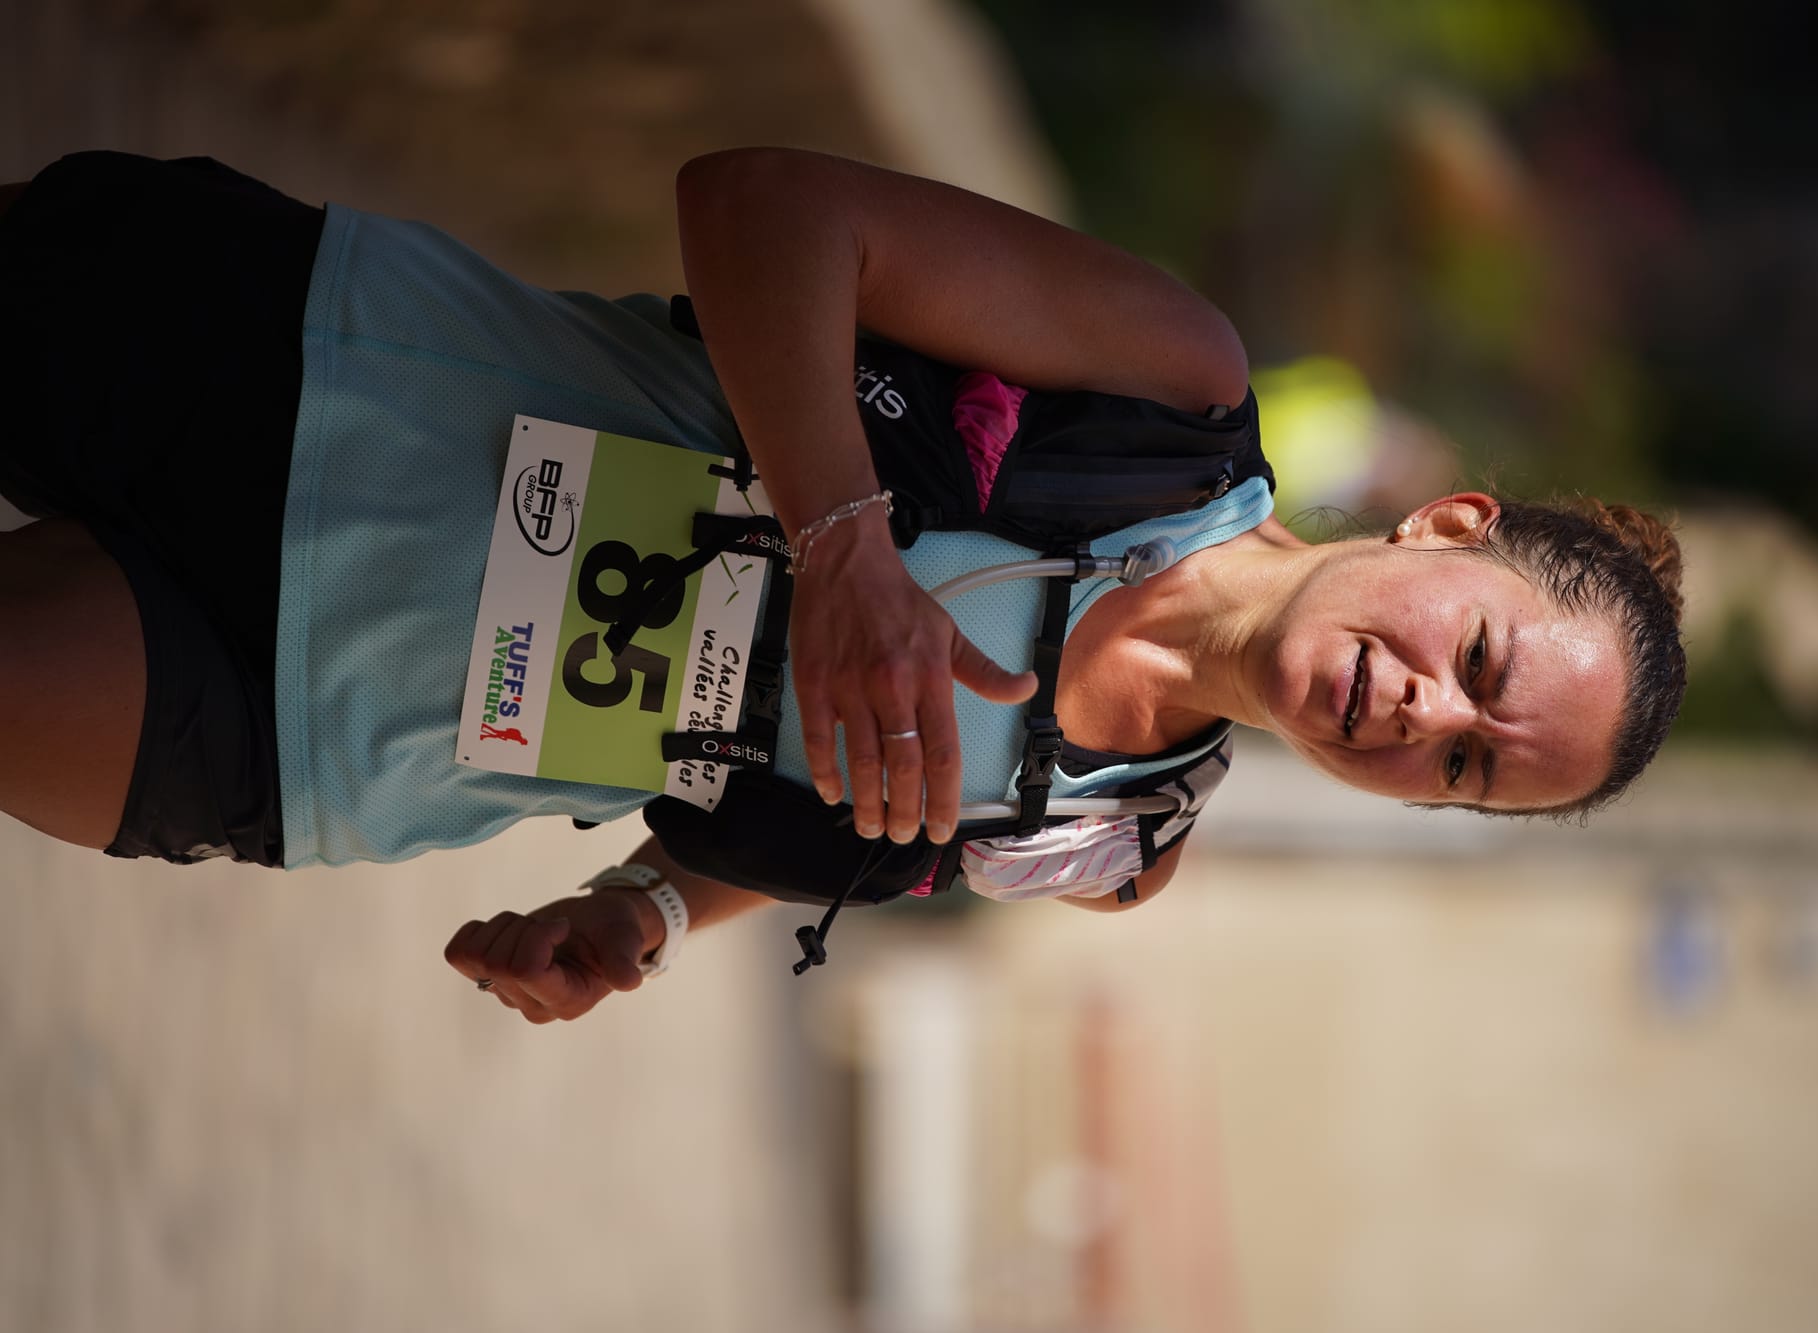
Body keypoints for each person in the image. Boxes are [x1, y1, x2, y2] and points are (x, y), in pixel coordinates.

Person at [0, 148, 1686, 1024]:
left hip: (318, 731)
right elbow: (762, 206)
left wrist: (647, 910)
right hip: (305, 367)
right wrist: (843, 542)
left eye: (1467, 763)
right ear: (1450, 526)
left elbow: (844, 807)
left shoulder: (1116, 843)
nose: (1422, 713)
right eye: (1475, 660)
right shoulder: (1169, 394)